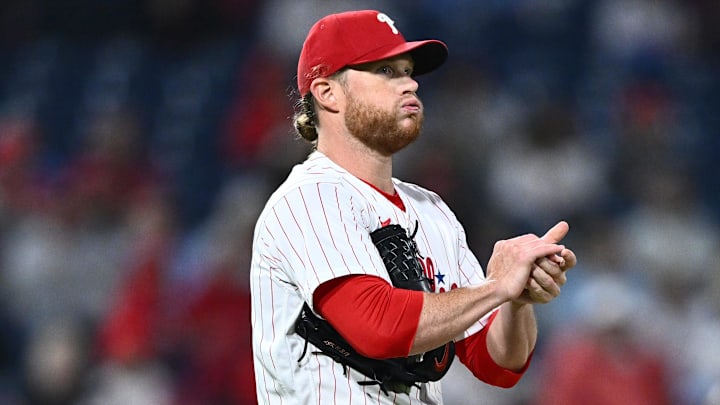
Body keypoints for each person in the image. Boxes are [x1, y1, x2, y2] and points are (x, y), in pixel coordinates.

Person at [250, 9, 577, 405]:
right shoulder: (309, 197)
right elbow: (377, 327)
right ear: (327, 92)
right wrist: (496, 288)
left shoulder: (432, 209)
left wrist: (516, 300)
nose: (410, 84)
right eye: (386, 71)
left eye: (408, 71)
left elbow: (497, 363)